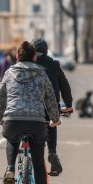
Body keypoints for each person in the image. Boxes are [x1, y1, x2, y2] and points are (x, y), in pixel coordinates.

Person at [0, 41, 60, 184]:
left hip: (13, 121)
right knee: (38, 164)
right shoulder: (41, 73)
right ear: (34, 57)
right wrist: (55, 119)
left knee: (12, 138)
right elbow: (51, 98)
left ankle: (10, 168)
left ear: (17, 57)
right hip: (37, 122)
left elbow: (1, 98)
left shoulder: (9, 73)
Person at [32, 39, 73, 176]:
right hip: (51, 105)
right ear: (46, 50)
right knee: (52, 123)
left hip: (30, 106)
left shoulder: (27, 63)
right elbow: (64, 85)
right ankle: (52, 152)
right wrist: (68, 105)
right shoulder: (54, 64)